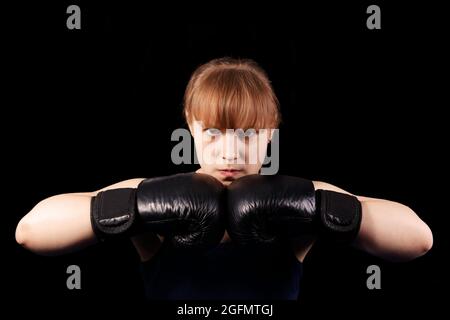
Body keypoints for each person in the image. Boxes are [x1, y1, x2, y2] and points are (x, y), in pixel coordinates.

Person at [15, 58, 433, 300]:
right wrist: (139, 208)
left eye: (249, 135)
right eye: (214, 133)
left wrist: (318, 210)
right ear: (191, 130)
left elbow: (418, 238)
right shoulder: (152, 195)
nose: (231, 151)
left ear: (270, 135)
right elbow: (30, 231)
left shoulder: (299, 199)